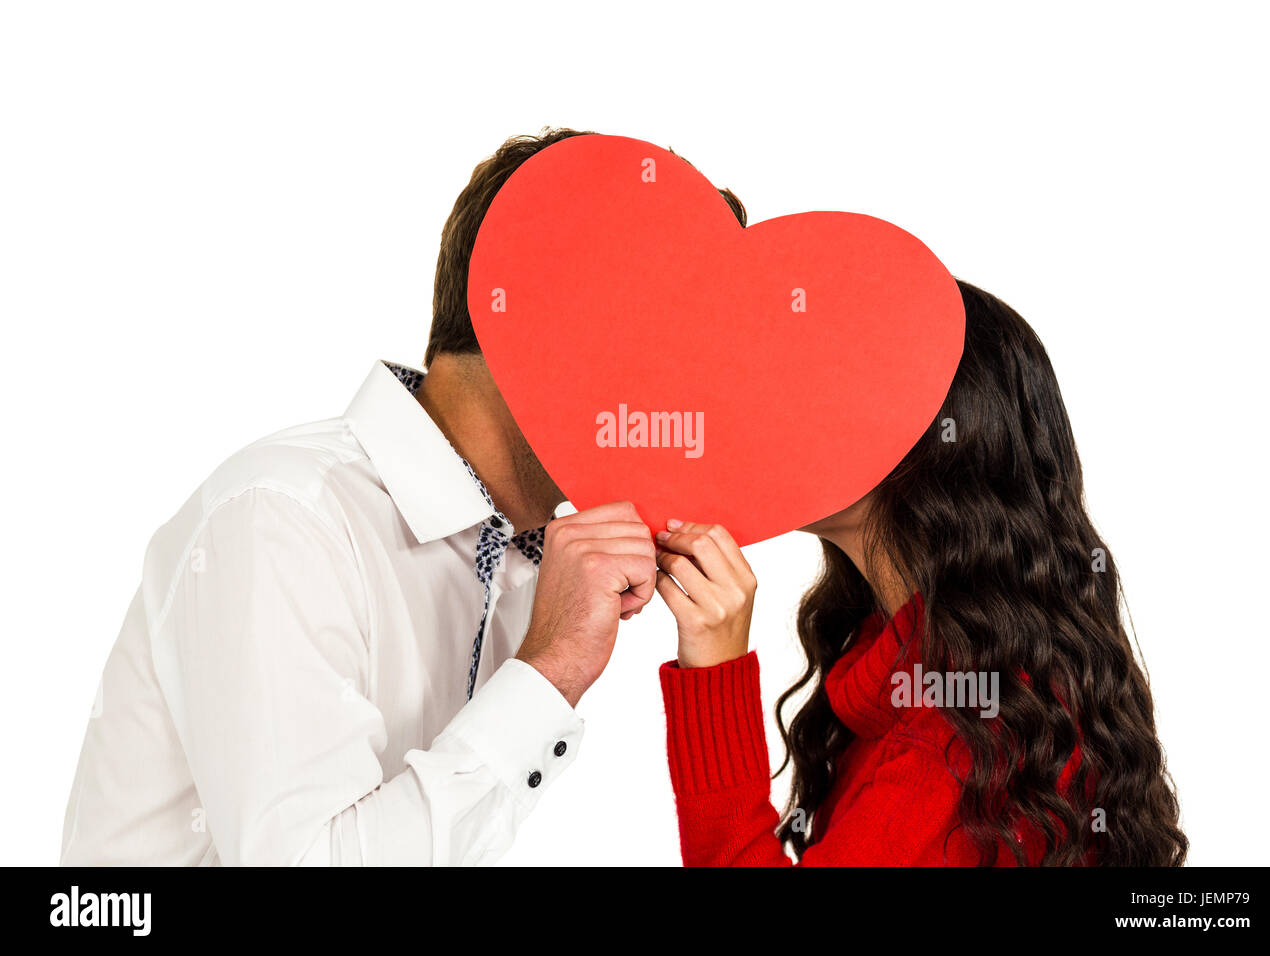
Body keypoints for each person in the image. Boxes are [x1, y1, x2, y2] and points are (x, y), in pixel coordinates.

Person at [60, 128, 748, 866]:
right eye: (670, 332)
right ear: (543, 314)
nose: (692, 392)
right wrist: (550, 670)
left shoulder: (523, 557)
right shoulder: (284, 519)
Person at [652, 279, 1189, 865]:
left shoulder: (965, 740)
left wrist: (715, 674)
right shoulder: (908, 675)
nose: (772, 410)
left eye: (816, 385)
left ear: (926, 440)